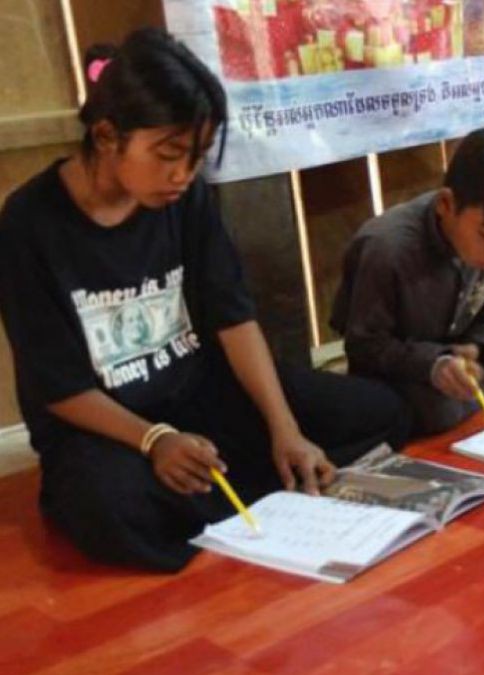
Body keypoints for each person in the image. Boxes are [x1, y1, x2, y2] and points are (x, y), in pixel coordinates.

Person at [0, 28, 408, 572]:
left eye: (194, 159)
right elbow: (58, 386)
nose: (182, 175)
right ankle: (240, 490)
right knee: (114, 506)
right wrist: (155, 439)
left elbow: (231, 315)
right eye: (168, 155)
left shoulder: (184, 197)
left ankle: (238, 489)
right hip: (108, 427)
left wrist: (284, 428)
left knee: (380, 413)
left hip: (198, 395)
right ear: (105, 136)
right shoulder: (29, 225)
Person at [330, 127, 484, 436]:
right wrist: (434, 363)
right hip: (405, 355)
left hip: (461, 337)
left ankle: (481, 372)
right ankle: (482, 380)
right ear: (446, 205)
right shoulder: (387, 249)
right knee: (439, 412)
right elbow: (364, 346)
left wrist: (477, 347)